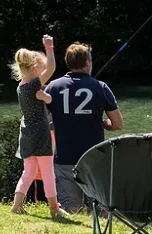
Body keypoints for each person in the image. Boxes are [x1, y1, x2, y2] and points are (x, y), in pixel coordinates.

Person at [45, 43, 123, 213]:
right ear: (87, 62)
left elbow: (44, 122)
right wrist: (101, 122)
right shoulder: (101, 87)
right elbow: (117, 124)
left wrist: (60, 122)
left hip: (64, 157)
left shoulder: (53, 87)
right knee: (98, 208)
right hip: (94, 157)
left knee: (69, 209)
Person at [9, 35, 60, 217]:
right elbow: (52, 68)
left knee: (28, 171)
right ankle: (54, 208)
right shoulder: (33, 86)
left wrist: (45, 97)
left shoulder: (21, 87)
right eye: (41, 67)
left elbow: (45, 98)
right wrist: (49, 48)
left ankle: (16, 205)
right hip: (40, 134)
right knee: (48, 171)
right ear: (35, 68)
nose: (44, 70)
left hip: (26, 134)